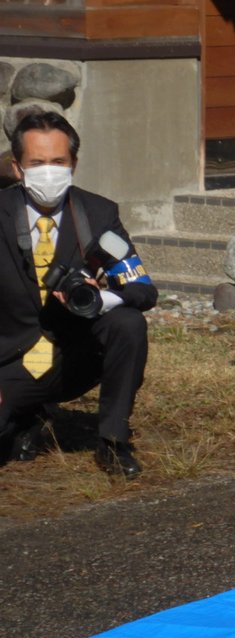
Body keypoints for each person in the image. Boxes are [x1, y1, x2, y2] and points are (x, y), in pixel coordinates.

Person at [0, 110, 157, 479]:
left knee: (128, 323)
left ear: (74, 164)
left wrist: (102, 297)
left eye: (58, 161)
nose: (49, 171)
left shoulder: (98, 213)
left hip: (74, 354)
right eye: (37, 163)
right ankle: (26, 417)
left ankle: (113, 442)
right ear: (17, 168)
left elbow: (143, 289)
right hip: (11, 357)